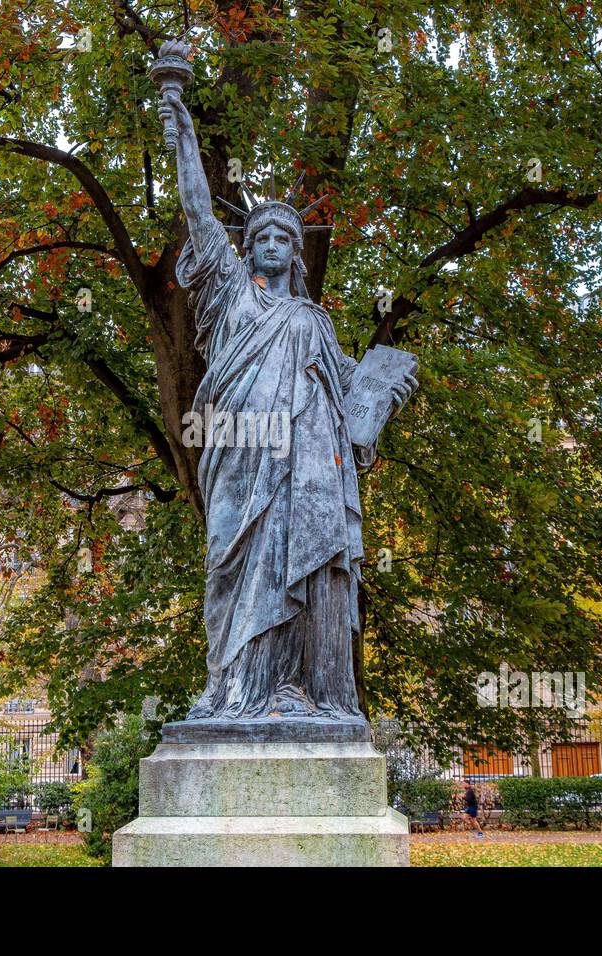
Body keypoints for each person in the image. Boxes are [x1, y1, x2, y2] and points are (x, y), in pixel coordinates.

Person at [158, 86, 417, 722]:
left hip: (306, 469)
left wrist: (389, 389)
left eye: (284, 236)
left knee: (302, 566)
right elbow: (197, 210)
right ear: (247, 251)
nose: (272, 242)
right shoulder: (230, 296)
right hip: (240, 457)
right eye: (263, 235)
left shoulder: (311, 320)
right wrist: (180, 122)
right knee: (233, 564)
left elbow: (356, 389)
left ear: (296, 253)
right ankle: (235, 691)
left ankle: (299, 690)